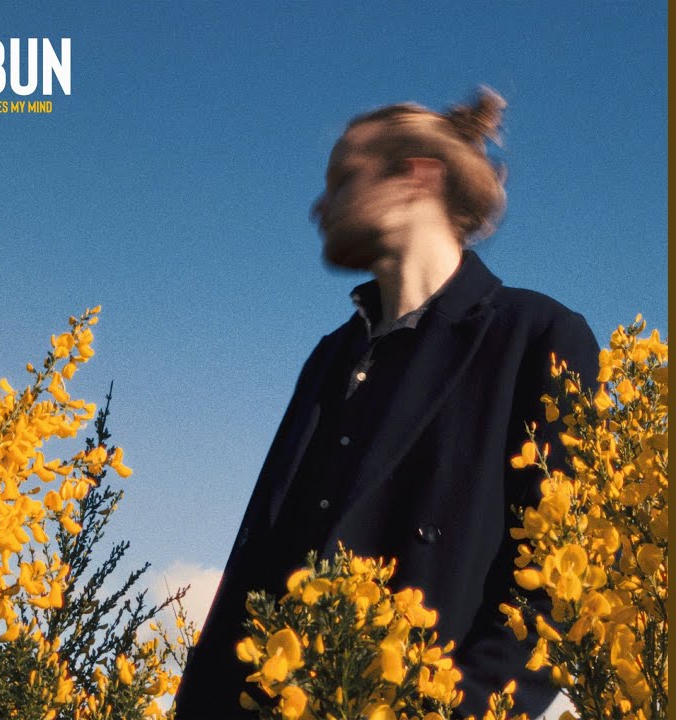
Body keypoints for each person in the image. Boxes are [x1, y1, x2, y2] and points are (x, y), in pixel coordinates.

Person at [172, 87, 599, 720]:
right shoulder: (331, 355)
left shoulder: (536, 336)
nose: (321, 205)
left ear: (416, 178)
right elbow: (259, 557)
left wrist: (458, 709)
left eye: (344, 179)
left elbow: (562, 579)